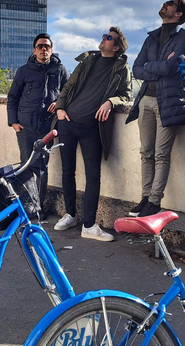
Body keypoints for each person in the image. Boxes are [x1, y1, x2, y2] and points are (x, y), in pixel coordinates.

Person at [52, 27, 132, 241]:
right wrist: (60, 108)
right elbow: (68, 87)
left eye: (108, 38)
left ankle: (89, 224)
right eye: (104, 36)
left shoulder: (121, 68)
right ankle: (70, 215)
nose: (103, 39)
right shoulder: (87, 61)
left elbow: (126, 94)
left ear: (115, 47)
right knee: (67, 170)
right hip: (67, 123)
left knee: (92, 175)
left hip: (92, 128)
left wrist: (110, 101)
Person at [127, 0, 185, 217]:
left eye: (170, 5)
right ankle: (145, 197)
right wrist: (159, 66)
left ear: (178, 14)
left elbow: (173, 67)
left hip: (170, 103)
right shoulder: (152, 38)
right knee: (146, 152)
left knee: (161, 154)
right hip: (146, 99)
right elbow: (136, 68)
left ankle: (155, 201)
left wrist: (151, 66)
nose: (164, 5)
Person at [7, 33, 70, 207]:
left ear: (52, 50)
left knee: (41, 168)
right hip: (25, 126)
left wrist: (58, 102)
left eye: (47, 46)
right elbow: (12, 97)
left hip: (47, 126)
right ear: (34, 50)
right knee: (25, 167)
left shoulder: (60, 70)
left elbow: (69, 93)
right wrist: (13, 122)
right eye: (40, 46)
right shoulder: (24, 71)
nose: (44, 49)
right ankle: (26, 205)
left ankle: (38, 206)